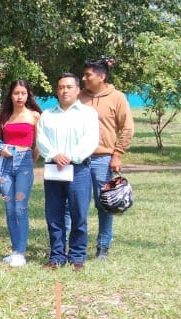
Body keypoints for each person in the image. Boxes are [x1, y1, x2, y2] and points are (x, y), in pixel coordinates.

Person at [36, 73, 100, 270]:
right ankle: (56, 256)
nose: (65, 91)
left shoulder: (88, 114)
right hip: (54, 169)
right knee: (53, 214)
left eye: (69, 87)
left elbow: (90, 140)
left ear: (78, 90)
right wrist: (55, 155)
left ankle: (77, 257)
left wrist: (70, 156)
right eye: (61, 87)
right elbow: (41, 139)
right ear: (57, 90)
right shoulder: (47, 115)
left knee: (78, 213)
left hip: (78, 169)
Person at [80, 58, 135, 260]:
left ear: (101, 76)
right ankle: (74, 245)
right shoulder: (79, 97)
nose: (83, 78)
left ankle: (102, 247)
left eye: (88, 75)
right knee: (75, 205)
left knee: (104, 204)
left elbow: (127, 128)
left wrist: (117, 154)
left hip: (103, 160)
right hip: (78, 160)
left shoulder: (117, 97)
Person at [0, 80, 41, 268]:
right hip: (5, 165)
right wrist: (1, 149)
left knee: (20, 208)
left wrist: (30, 160)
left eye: (23, 93)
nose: (19, 97)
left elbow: (38, 145)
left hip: (24, 163)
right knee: (9, 208)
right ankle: (15, 250)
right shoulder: (4, 116)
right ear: (10, 95)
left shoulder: (34, 115)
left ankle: (21, 252)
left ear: (28, 95)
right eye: (16, 93)